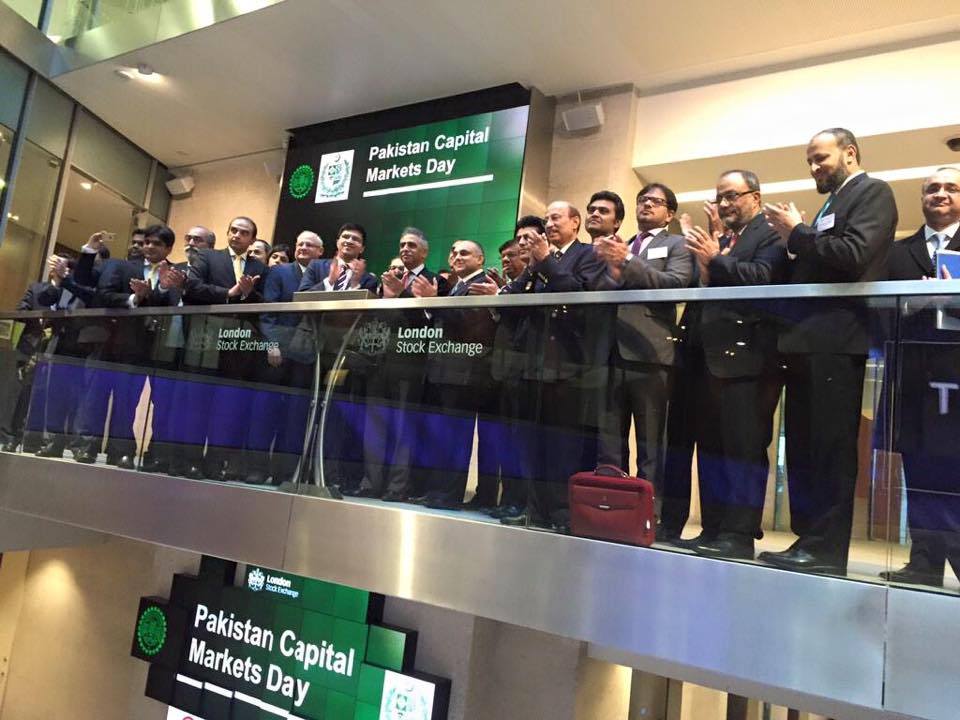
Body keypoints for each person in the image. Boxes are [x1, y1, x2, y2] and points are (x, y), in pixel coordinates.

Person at [762, 127, 897, 574]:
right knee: (803, 446)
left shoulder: (873, 193)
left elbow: (854, 254)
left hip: (838, 340)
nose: (813, 167)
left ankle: (827, 550)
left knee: (830, 447)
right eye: (810, 160)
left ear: (850, 153)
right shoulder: (832, 203)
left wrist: (797, 233)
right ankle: (808, 539)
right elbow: (821, 257)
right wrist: (795, 244)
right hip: (806, 340)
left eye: (820, 158)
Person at [661, 170, 787, 559]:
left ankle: (739, 533)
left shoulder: (768, 234)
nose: (725, 204)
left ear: (756, 197)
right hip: (707, 360)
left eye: (733, 195)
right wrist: (707, 265)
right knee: (712, 448)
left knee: (743, 448)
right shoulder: (725, 239)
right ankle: (713, 527)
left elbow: (763, 277)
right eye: (720, 197)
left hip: (749, 361)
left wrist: (716, 260)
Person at [499, 202, 606, 531]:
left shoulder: (588, 254)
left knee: (562, 447)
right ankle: (535, 509)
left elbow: (579, 296)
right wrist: (532, 268)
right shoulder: (537, 262)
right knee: (531, 445)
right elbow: (509, 307)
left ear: (575, 223)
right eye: (546, 218)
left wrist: (545, 260)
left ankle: (561, 512)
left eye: (556, 218)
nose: (549, 223)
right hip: (531, 365)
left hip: (567, 366)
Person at [591, 184, 694, 509]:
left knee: (651, 442)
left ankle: (649, 514)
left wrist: (627, 260)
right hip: (610, 351)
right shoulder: (621, 243)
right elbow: (599, 290)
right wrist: (612, 270)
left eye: (655, 201)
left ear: (670, 213)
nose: (646, 205)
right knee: (609, 441)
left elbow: (675, 285)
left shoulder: (677, 244)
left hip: (651, 353)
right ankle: (611, 509)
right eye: (642, 200)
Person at [882, 166, 960, 586]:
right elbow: (880, 316)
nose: (940, 194)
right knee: (920, 472)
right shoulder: (898, 253)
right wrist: (915, 303)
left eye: (951, 188)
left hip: (957, 382)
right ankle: (924, 563)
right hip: (912, 379)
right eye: (932, 188)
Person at [354, 227, 448, 501]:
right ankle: (371, 483)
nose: (405, 249)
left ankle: (397, 487)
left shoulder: (436, 282)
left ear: (425, 252)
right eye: (402, 244)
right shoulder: (387, 279)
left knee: (403, 429)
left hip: (411, 365)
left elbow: (429, 325)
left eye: (412, 245)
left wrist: (401, 296)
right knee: (374, 427)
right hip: (378, 363)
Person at [183, 216, 269, 480]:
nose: (237, 235)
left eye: (244, 233)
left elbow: (265, 304)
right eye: (233, 230)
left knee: (227, 408)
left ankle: (215, 463)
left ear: (252, 239)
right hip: (206, 337)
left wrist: (248, 293)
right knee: (198, 403)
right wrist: (228, 293)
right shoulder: (209, 257)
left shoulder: (260, 267)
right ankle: (191, 461)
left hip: (238, 343)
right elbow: (192, 288)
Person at [419, 240, 499, 509]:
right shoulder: (457, 285)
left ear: (480, 259)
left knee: (456, 439)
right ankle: (439, 490)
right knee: (443, 437)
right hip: (444, 370)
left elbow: (470, 328)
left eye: (465, 253)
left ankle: (449, 494)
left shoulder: (482, 284)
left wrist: (434, 303)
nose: (457, 256)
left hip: (465, 374)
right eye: (453, 252)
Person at [246, 231, 325, 485]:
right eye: (299, 243)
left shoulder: (325, 277)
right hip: (275, 354)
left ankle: (284, 473)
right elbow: (268, 313)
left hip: (304, 357)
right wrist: (272, 345)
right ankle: (257, 468)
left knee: (294, 416)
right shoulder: (279, 272)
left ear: (320, 251)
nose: (302, 247)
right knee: (264, 412)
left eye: (309, 245)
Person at [299, 223, 377, 292]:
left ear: (362, 249)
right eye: (345, 237)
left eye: (355, 239)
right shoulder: (315, 266)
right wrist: (329, 281)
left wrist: (355, 286)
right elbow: (302, 297)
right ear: (337, 242)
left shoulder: (369, 280)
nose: (349, 241)